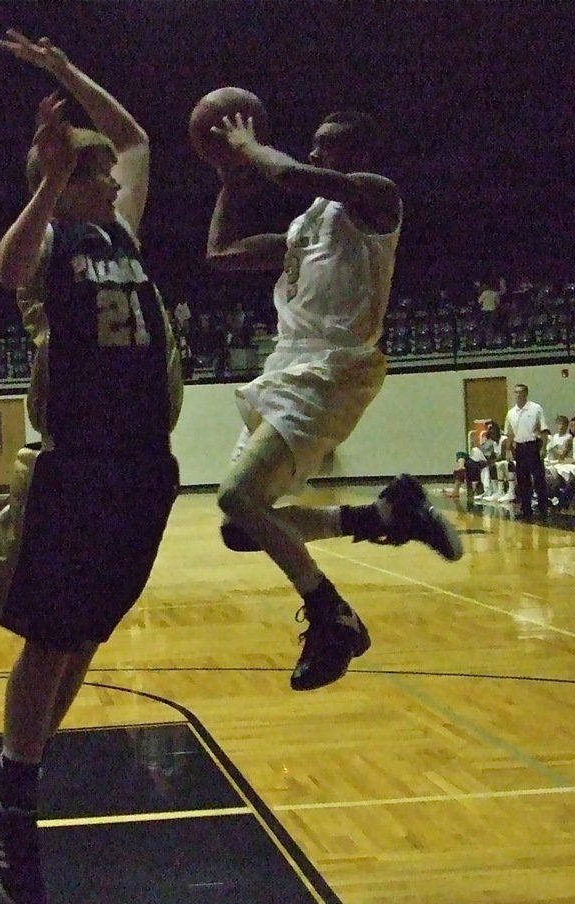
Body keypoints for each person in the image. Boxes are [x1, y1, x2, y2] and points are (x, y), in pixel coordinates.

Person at [0, 31, 183, 904]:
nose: (116, 180)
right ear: (71, 180)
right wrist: (51, 174)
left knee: (87, 632)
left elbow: (137, 141)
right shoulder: (52, 244)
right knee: (52, 635)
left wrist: (62, 72)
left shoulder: (120, 229)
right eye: (96, 174)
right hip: (78, 463)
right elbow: (4, 266)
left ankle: (9, 775)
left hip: (141, 465)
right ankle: (15, 801)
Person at [204, 105, 462, 692]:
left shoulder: (376, 199)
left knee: (236, 495)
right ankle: (382, 515)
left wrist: (248, 149)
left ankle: (332, 615)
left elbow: (296, 176)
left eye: (328, 146)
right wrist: (227, 183)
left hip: (333, 370)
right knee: (239, 526)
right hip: (287, 369)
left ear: (359, 156)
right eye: (312, 146)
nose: (315, 154)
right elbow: (219, 254)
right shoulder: (303, 228)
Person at [502, 383, 550, 519]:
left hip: (533, 445)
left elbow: (544, 430)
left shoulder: (536, 409)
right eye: (516, 392)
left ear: (526, 393)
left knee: (538, 478)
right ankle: (526, 508)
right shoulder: (511, 413)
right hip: (520, 447)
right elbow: (509, 433)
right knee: (523, 479)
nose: (518, 395)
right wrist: (508, 450)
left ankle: (542, 507)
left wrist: (544, 448)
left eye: (520, 392)